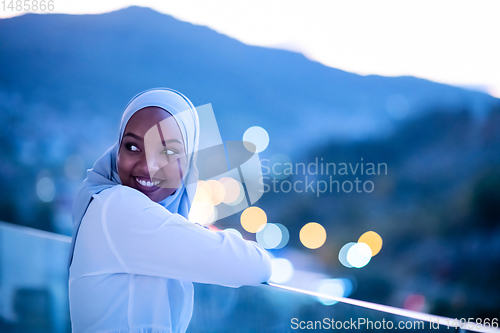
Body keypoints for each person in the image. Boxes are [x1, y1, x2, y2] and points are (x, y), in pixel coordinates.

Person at [68, 88, 272, 333]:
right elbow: (255, 266)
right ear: (116, 151)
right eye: (133, 147)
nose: (147, 166)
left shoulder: (113, 208)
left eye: (167, 152)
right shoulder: (116, 208)